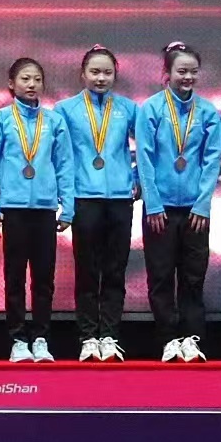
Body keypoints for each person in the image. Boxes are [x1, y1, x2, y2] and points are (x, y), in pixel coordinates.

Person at [135, 42, 220, 363]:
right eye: (181, 71)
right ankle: (168, 339)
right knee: (160, 277)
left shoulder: (207, 112)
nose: (188, 77)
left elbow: (212, 160)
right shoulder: (151, 109)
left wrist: (203, 204)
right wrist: (153, 203)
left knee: (193, 277)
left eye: (193, 72)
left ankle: (192, 338)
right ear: (166, 73)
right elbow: (144, 158)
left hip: (195, 211)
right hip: (160, 210)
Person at [0, 58, 72, 362]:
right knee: (15, 276)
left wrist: (68, 207)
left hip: (45, 209)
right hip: (13, 209)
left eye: (36, 79)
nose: (31, 84)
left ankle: (41, 337)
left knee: (44, 277)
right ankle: (18, 339)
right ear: (11, 84)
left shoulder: (54, 121)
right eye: (25, 79)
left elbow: (64, 165)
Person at [59, 45, 138, 362]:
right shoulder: (66, 110)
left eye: (107, 72)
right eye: (94, 72)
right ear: (83, 74)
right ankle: (88, 336)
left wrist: (137, 179)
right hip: (84, 198)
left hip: (119, 200)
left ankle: (110, 335)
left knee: (115, 270)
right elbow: (61, 157)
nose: (101, 78)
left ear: (115, 75)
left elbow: (148, 149)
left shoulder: (129, 109)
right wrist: (65, 197)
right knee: (87, 271)